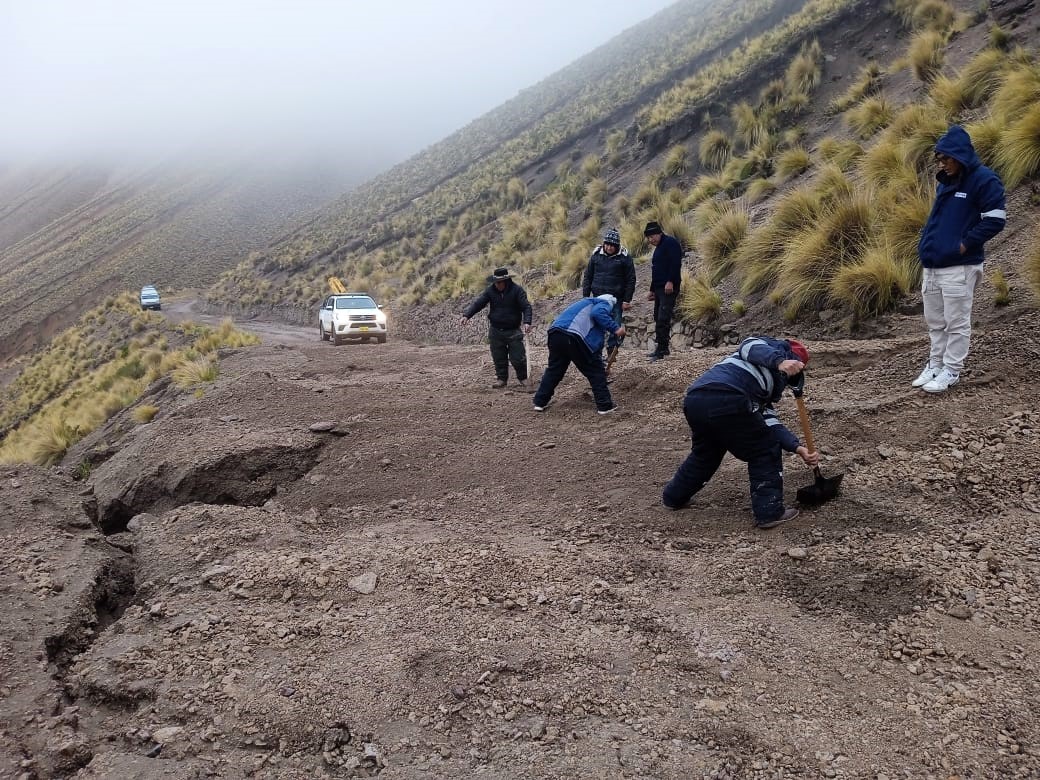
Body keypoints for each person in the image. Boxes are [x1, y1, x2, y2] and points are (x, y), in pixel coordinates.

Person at [662, 336, 820, 530]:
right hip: (730, 397)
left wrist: (797, 447)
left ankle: (673, 497)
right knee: (765, 448)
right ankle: (769, 512)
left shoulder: (761, 383)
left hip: (697, 400)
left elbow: (768, 421)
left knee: (706, 454)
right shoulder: (766, 349)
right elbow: (749, 345)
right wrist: (781, 361)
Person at [913, 124, 1006, 394]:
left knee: (957, 322)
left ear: (961, 156)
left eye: (946, 158)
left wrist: (963, 246)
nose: (942, 164)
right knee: (936, 322)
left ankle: (951, 370)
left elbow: (996, 221)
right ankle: (935, 364)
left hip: (959, 266)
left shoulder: (984, 179)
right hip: (933, 265)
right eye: (939, 159)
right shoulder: (948, 183)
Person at [532, 294, 626, 414]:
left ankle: (540, 402)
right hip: (573, 336)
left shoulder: (583, 305)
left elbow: (594, 344)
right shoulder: (603, 303)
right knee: (595, 373)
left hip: (555, 334)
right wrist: (616, 329)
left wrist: (600, 363)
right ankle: (605, 406)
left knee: (554, 370)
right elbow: (598, 313)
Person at [460, 267, 533, 388]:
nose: (497, 285)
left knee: (518, 357)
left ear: (505, 281)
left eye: (499, 282)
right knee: (498, 357)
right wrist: (467, 315)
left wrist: (527, 322)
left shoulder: (517, 291)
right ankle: (501, 379)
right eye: (495, 282)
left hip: (513, 330)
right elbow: (478, 304)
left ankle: (523, 378)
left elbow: (526, 307)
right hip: (496, 330)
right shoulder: (490, 291)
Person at [581, 227, 636, 356]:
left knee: (615, 325)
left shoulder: (624, 258)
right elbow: (588, 276)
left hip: (616, 299)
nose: (609, 247)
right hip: (597, 298)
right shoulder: (596, 256)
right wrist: (585, 296)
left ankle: (612, 350)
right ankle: (596, 351)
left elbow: (631, 279)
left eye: (613, 245)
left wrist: (627, 300)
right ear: (604, 243)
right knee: (597, 324)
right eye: (607, 244)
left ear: (617, 245)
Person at [644, 221, 683, 362]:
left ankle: (661, 350)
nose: (650, 240)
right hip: (660, 288)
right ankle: (662, 347)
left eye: (652, 236)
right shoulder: (659, 248)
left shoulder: (670, 243)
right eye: (648, 238)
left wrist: (671, 281)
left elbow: (675, 263)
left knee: (663, 317)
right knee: (657, 316)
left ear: (659, 233)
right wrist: (652, 290)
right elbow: (657, 270)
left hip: (669, 287)